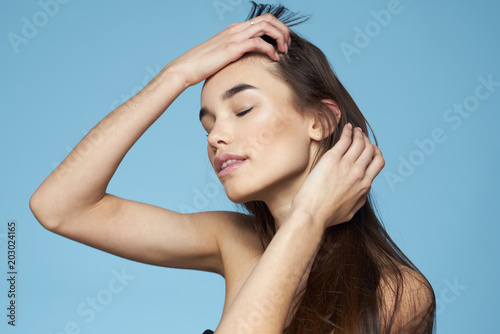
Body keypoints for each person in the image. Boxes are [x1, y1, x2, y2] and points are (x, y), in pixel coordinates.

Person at [29, 2, 436, 333]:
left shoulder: (400, 292)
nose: (215, 137)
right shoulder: (235, 239)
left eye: (242, 109)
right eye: (208, 124)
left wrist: (309, 216)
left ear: (321, 121)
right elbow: (60, 207)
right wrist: (176, 75)